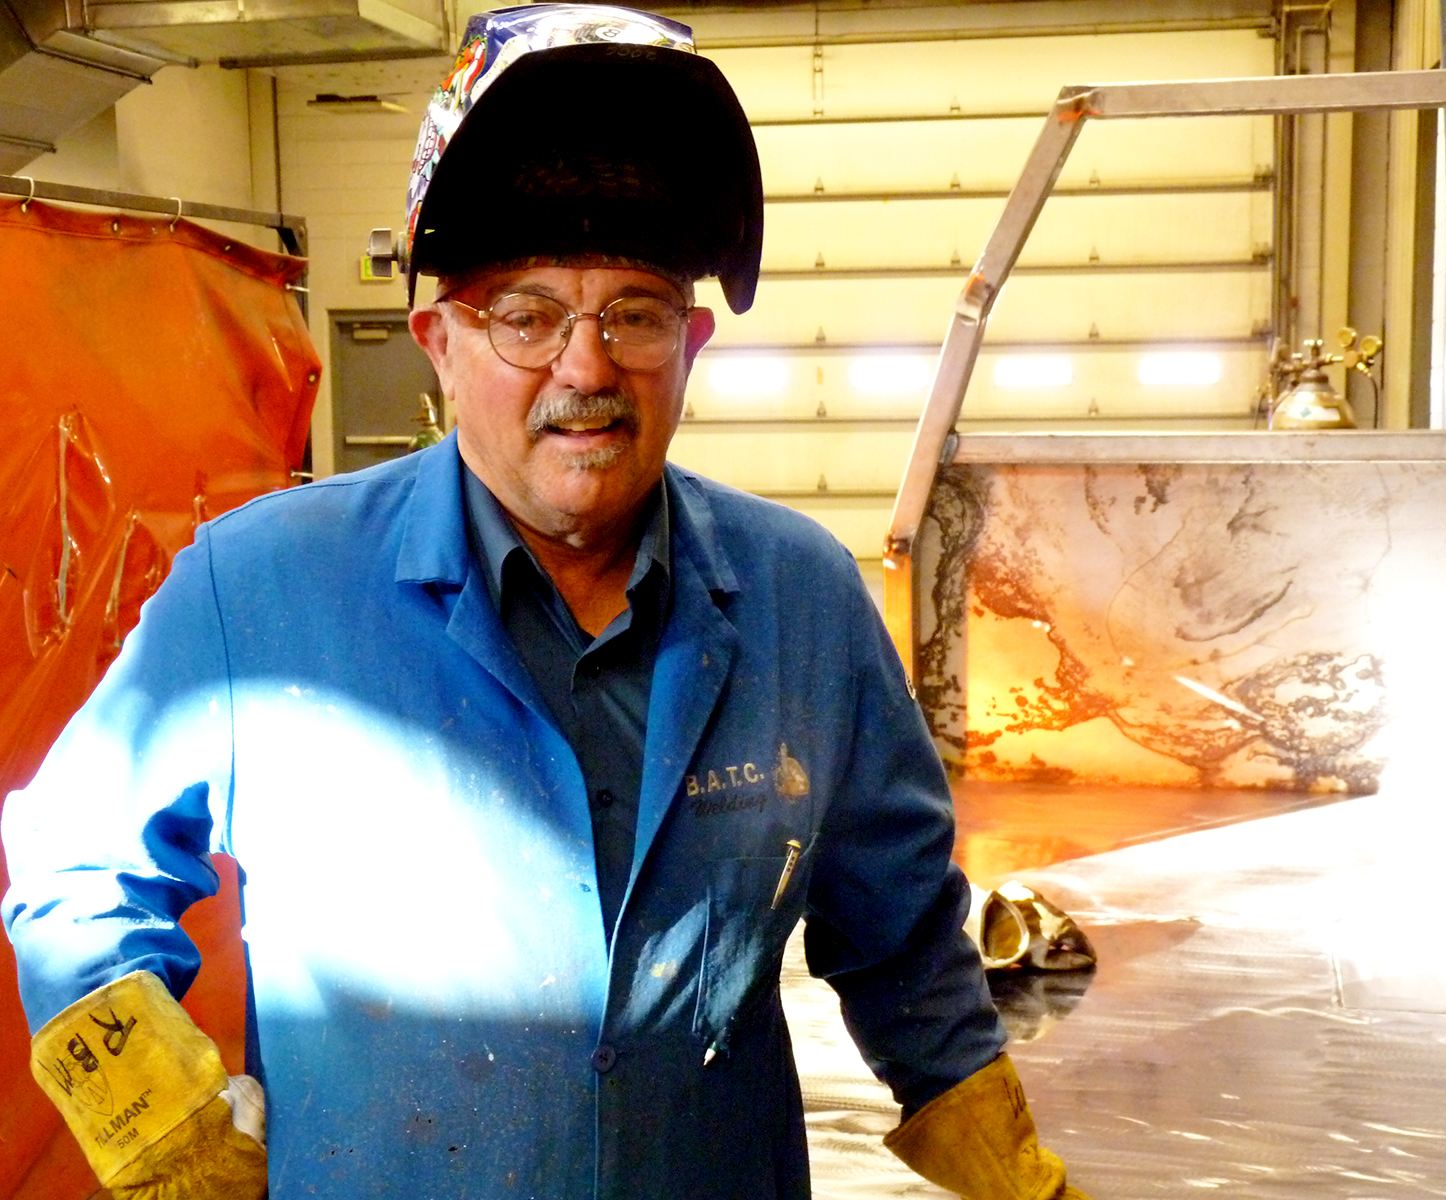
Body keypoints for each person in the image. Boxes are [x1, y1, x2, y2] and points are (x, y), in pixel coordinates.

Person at [2, 6, 1091, 1198]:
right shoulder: (257, 589)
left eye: (635, 314)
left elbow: (903, 933)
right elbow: (74, 874)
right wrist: (159, 1129)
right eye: (525, 315)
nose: (585, 367)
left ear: (691, 345)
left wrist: (1010, 1171)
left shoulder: (803, 601)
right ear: (437, 341)